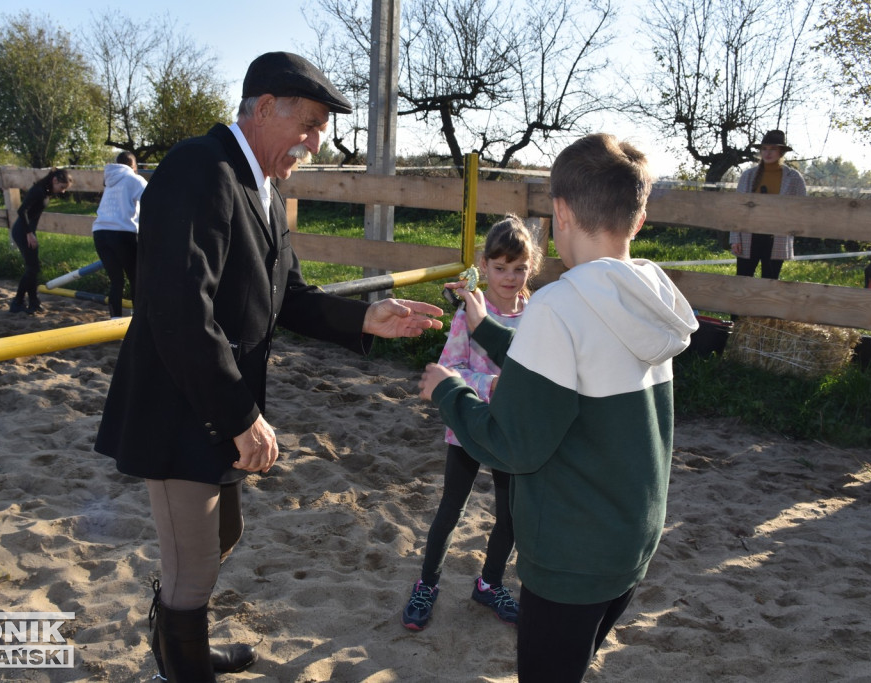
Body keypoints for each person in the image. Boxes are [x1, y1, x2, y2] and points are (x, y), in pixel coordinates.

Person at [94, 51, 443, 682]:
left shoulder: (262, 184)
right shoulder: (199, 169)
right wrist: (240, 416)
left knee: (221, 537)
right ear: (262, 109)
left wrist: (366, 316)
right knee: (193, 567)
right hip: (181, 407)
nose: (316, 143)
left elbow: (289, 295)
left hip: (217, 403)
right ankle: (183, 664)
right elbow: (178, 311)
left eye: (321, 131)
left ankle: (180, 642)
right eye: (308, 125)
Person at [418, 133, 698, 682]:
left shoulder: (556, 306)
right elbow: (570, 367)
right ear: (637, 221)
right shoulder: (646, 297)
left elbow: (512, 444)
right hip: (631, 536)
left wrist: (448, 391)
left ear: (561, 211)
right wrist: (488, 331)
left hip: (571, 554)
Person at [402, 215, 541, 632]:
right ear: (484, 264)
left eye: (519, 269)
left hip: (509, 433)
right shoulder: (470, 313)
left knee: (510, 516)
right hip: (467, 424)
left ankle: (490, 584)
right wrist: (491, 385)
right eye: (500, 268)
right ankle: (427, 584)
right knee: (451, 509)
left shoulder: (535, 316)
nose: (510, 278)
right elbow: (449, 369)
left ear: (530, 267)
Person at [729, 129, 807, 280]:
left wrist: (790, 228)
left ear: (781, 152)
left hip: (777, 236)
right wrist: (735, 238)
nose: (767, 153)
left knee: (771, 281)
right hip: (748, 235)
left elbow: (802, 209)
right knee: (742, 280)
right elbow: (736, 209)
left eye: (773, 149)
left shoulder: (793, 178)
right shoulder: (748, 175)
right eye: (764, 149)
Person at [9, 168, 73, 314]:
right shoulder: (38, 190)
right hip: (23, 232)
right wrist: (29, 233)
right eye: (62, 187)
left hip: (28, 232)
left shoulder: (45, 190)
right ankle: (17, 301)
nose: (63, 191)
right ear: (55, 180)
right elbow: (21, 211)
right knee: (33, 268)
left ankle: (33, 302)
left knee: (33, 268)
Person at [91, 151, 147, 318]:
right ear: (133, 165)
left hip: (100, 232)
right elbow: (151, 199)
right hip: (122, 233)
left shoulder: (109, 180)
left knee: (116, 281)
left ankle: (114, 319)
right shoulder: (134, 179)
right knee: (136, 278)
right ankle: (139, 320)